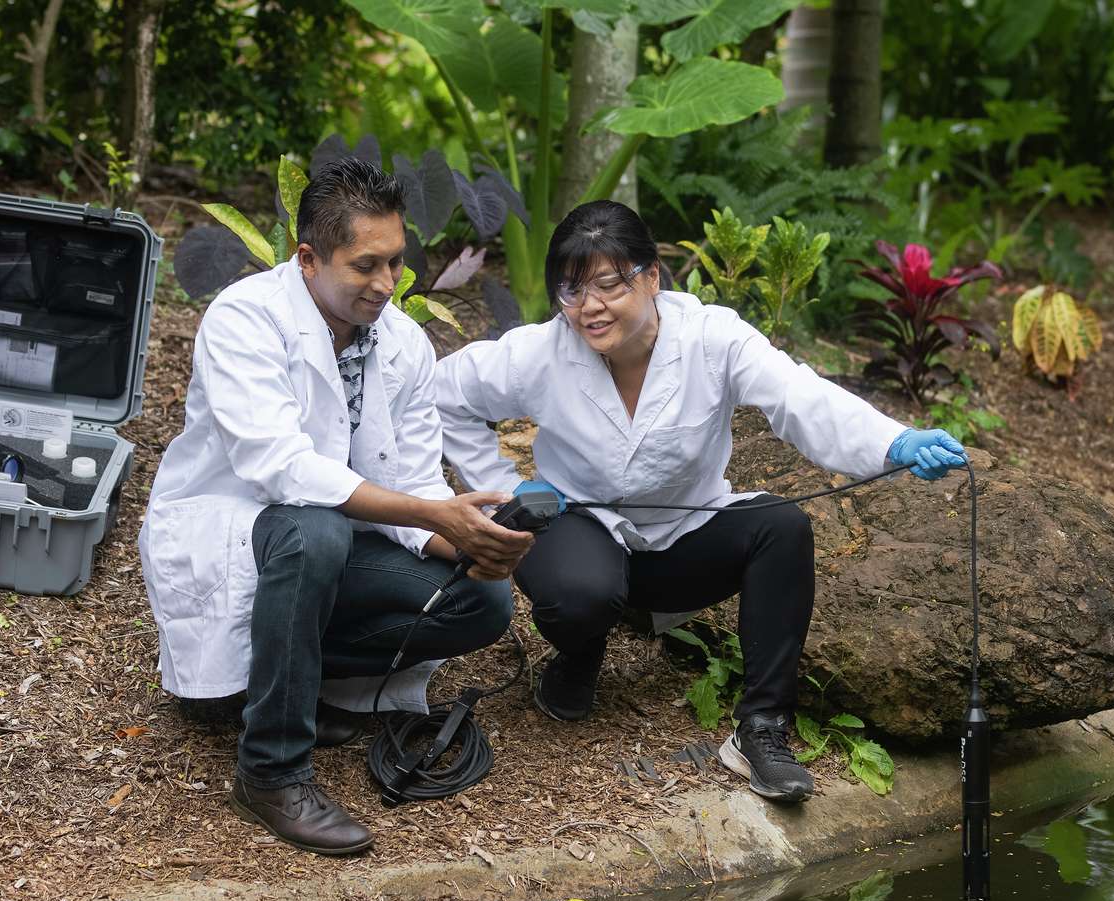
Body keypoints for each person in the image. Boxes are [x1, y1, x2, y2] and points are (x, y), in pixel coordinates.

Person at [435, 200, 968, 804]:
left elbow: (797, 395)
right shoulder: (540, 352)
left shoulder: (713, 338)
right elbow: (446, 394)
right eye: (573, 289)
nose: (590, 307)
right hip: (577, 527)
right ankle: (579, 652)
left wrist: (893, 440)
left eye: (609, 284)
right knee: (580, 593)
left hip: (682, 537)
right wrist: (505, 487)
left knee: (782, 526)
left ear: (652, 276)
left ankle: (761, 727)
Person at [138, 159, 534, 856]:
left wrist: (471, 540)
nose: (386, 284)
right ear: (309, 259)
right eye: (365, 266)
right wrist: (432, 516)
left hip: (329, 542)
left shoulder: (403, 343)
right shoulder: (245, 320)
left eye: (396, 263)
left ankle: (285, 681)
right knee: (314, 530)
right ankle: (271, 769)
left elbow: (413, 479)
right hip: (236, 526)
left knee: (483, 603)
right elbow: (281, 469)